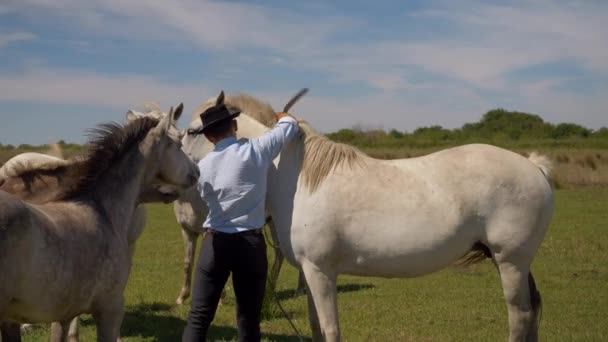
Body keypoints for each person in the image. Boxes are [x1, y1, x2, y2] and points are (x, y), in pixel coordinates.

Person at [182, 91, 299, 342]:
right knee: (248, 318)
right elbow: (289, 125)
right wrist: (279, 115)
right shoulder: (256, 150)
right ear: (235, 126)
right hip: (250, 246)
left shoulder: (203, 167)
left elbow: (204, 194)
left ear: (209, 137)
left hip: (214, 244)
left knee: (199, 317)